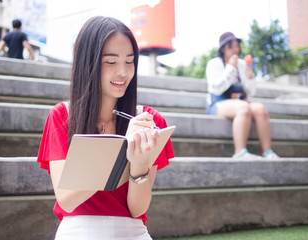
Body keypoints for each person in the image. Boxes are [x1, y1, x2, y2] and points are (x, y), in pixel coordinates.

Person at [37, 16, 174, 239]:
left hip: (133, 231)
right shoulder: (62, 116)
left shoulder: (149, 120)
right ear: (87, 62)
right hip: (79, 229)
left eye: (129, 61)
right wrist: (122, 151)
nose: (123, 72)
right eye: (111, 62)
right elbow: (67, 199)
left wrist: (139, 163)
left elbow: (137, 209)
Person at [206, 32, 279, 159]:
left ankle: (268, 152)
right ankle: (240, 152)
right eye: (231, 47)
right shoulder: (214, 63)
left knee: (260, 109)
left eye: (236, 46)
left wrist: (250, 79)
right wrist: (231, 67)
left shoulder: (242, 64)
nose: (236, 50)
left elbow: (250, 92)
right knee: (243, 108)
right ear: (223, 49)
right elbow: (217, 88)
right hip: (219, 102)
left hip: (241, 100)